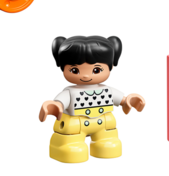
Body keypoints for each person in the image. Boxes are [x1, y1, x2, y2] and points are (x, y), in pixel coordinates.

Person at [39, 35, 145, 163]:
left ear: (110, 66)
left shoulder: (107, 90)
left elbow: (121, 100)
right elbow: (59, 103)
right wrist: (55, 106)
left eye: (96, 70)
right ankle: (67, 146)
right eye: (74, 70)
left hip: (104, 124)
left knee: (109, 143)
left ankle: (105, 142)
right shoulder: (69, 92)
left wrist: (128, 101)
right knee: (73, 148)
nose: (85, 75)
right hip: (74, 126)